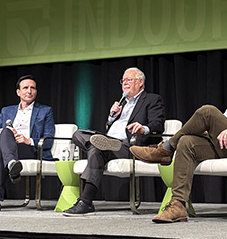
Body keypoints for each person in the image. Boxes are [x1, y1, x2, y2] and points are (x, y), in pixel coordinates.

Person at [131, 52, 227, 223]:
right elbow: (224, 118)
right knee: (187, 142)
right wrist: (211, 131)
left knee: (207, 111)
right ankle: (178, 205)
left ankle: (166, 148)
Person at [63, 67, 165, 216]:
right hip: (110, 142)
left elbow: (158, 124)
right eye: (123, 80)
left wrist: (143, 128)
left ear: (140, 82)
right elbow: (109, 127)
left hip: (128, 144)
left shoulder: (152, 99)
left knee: (96, 148)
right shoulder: (121, 103)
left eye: (129, 79)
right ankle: (98, 144)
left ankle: (85, 202)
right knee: (79, 134)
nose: (125, 83)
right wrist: (112, 117)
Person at [0, 75, 55, 213]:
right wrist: (3, 132)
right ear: (18, 92)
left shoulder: (45, 111)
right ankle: (11, 164)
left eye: (32, 88)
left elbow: (49, 139)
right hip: (8, 148)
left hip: (29, 149)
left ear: (36, 91)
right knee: (4, 135)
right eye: (25, 88)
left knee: (1, 151)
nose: (29, 91)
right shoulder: (6, 111)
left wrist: (28, 140)